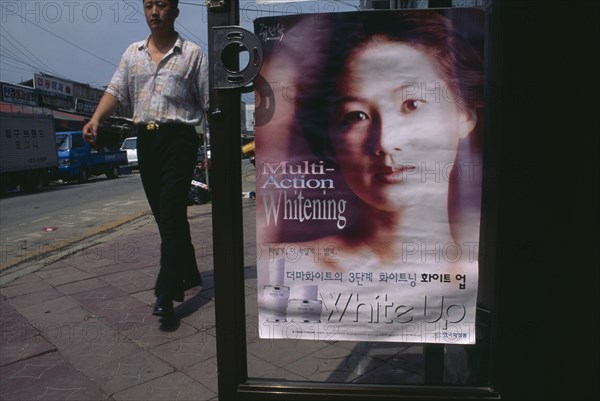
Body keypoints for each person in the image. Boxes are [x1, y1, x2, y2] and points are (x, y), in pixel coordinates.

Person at [83, 0, 209, 317]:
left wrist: (214, 146)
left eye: (162, 5)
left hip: (180, 139)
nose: (155, 11)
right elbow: (116, 89)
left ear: (175, 11)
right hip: (147, 140)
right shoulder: (132, 53)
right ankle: (190, 272)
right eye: (149, 5)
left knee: (169, 212)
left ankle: (166, 291)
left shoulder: (193, 54)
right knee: (166, 216)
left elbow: (209, 102)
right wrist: (97, 118)